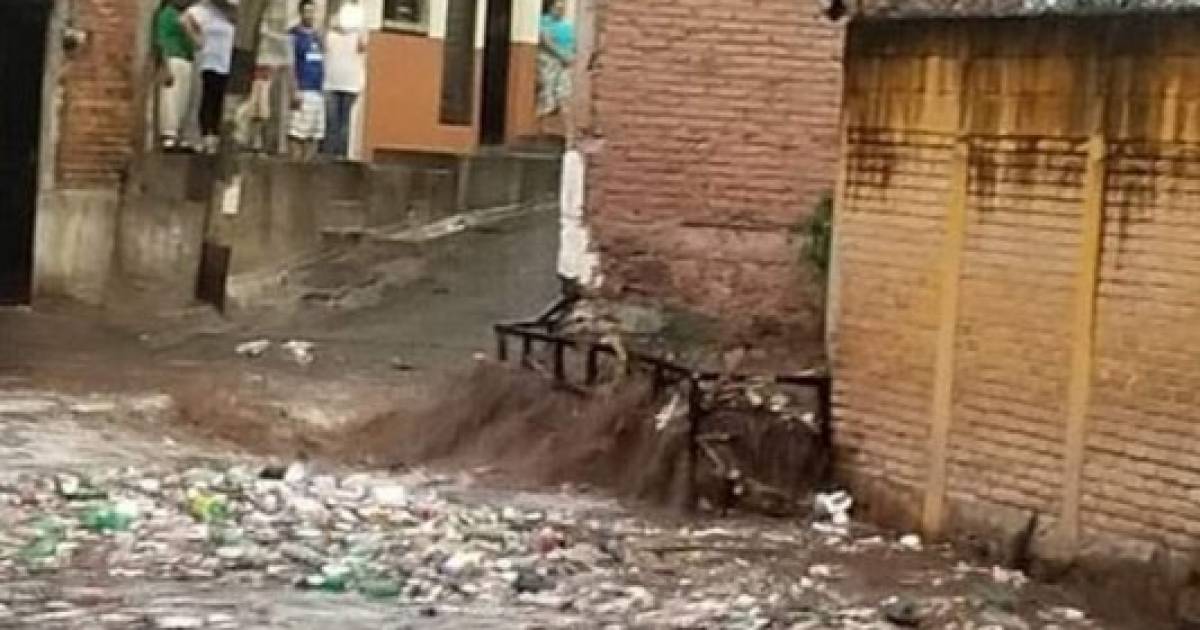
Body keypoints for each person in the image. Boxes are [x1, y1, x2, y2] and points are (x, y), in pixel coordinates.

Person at [183, 0, 237, 154]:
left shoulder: (233, 12)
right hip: (211, 61)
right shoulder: (204, 9)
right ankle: (207, 134)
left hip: (229, 62)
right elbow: (185, 19)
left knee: (222, 99)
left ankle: (218, 135)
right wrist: (197, 40)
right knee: (209, 97)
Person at [323, 0, 367, 159]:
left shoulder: (359, 20)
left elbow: (362, 45)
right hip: (332, 80)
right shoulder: (328, 26)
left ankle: (338, 156)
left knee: (342, 123)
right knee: (332, 122)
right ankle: (330, 156)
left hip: (350, 81)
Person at [154, 0, 196, 151]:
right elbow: (161, 41)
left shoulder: (185, 15)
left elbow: (197, 42)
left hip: (186, 59)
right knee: (171, 97)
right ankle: (169, 135)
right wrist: (164, 65)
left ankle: (179, 135)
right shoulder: (166, 14)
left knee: (183, 100)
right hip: (172, 57)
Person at [288, 0, 325, 161]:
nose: (310, 15)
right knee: (297, 133)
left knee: (315, 134)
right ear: (301, 13)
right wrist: (294, 88)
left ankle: (307, 168)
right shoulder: (294, 35)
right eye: (307, 11)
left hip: (318, 91)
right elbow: (291, 63)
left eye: (313, 11)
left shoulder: (317, 36)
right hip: (303, 90)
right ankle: (295, 166)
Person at [537, 0, 575, 121]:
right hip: (550, 60)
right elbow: (546, 40)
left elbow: (573, 42)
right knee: (548, 91)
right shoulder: (545, 21)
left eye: (562, 9)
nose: (560, 11)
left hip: (566, 62)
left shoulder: (567, 24)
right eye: (557, 8)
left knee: (564, 94)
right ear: (551, 8)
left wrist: (571, 56)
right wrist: (562, 55)